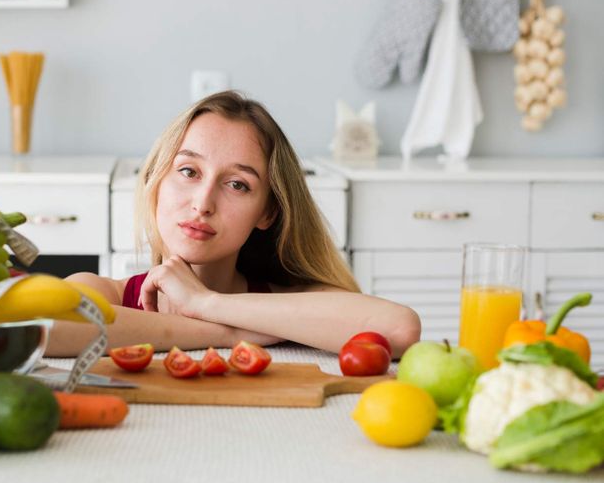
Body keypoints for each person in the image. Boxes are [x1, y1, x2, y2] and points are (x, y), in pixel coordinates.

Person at [47, 91, 420, 357]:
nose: (203, 203)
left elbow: (399, 329)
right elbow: (41, 327)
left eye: (238, 184)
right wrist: (226, 332)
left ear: (267, 212)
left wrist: (205, 302)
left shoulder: (289, 305)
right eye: (189, 171)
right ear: (155, 180)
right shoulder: (107, 295)